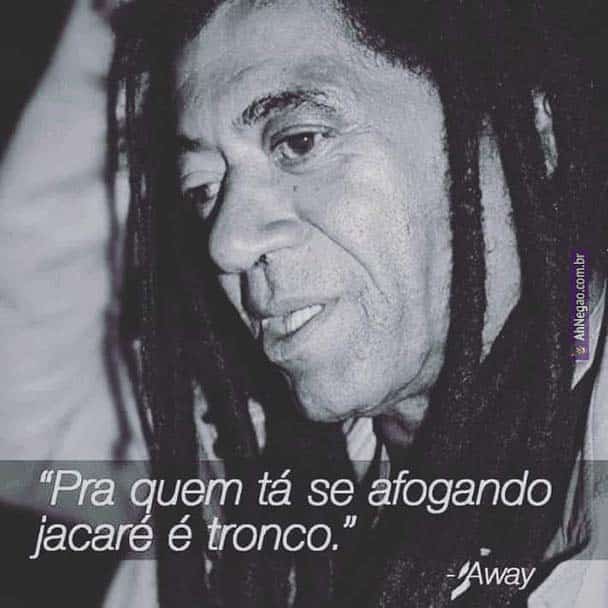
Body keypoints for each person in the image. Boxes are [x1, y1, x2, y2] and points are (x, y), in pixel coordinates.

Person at [2, 0, 607, 607]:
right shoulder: (246, 465)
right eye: (203, 187)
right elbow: (20, 417)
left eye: (299, 142)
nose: (226, 243)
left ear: (525, 128)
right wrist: (111, 21)